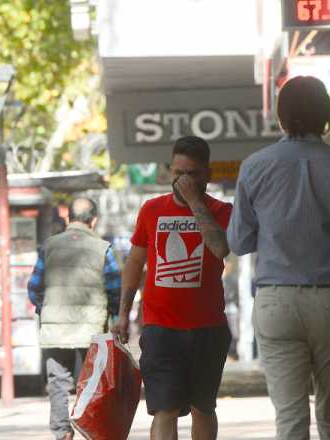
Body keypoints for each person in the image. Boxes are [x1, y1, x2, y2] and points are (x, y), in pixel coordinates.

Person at [229, 75, 330, 440]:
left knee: (289, 418)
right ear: (327, 115)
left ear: (281, 116)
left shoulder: (254, 166)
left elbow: (240, 241)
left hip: (277, 302)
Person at [113, 135, 233, 440]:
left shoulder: (222, 211)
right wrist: (123, 314)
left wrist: (194, 201)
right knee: (164, 409)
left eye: (191, 174)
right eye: (177, 173)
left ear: (207, 174)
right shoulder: (151, 210)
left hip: (208, 328)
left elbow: (220, 248)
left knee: (202, 408)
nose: (181, 180)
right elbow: (134, 263)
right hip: (160, 328)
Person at [28, 197, 121, 440]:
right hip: (92, 330)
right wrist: (114, 317)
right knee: (92, 383)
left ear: (68, 218)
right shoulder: (103, 248)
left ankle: (63, 434)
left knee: (58, 384)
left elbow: (34, 286)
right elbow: (115, 289)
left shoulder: (48, 246)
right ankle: (91, 430)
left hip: (55, 332)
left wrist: (46, 309)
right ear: (94, 220)